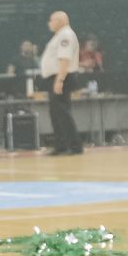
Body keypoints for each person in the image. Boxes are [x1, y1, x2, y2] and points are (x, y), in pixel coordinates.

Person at [40, 11, 83, 155]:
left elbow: (64, 59)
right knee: (56, 113)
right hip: (56, 77)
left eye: (51, 20)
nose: (49, 23)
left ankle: (75, 145)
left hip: (61, 77)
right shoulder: (59, 36)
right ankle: (61, 145)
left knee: (62, 113)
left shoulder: (66, 35)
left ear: (61, 20)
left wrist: (60, 80)